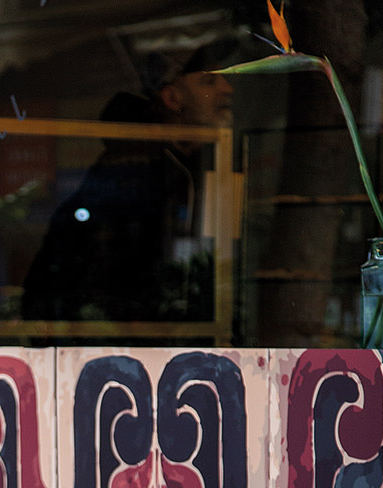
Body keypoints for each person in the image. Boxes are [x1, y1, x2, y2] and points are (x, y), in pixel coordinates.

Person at [20, 42, 236, 327]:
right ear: (172, 99)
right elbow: (121, 285)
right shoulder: (138, 174)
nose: (227, 89)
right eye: (209, 81)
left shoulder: (182, 167)